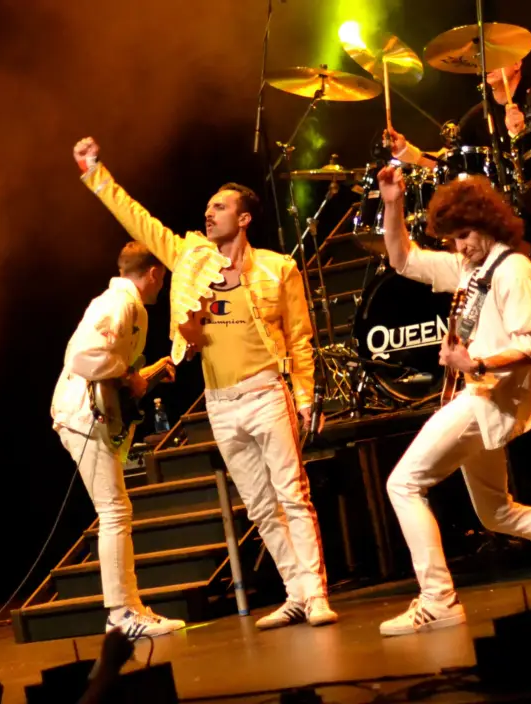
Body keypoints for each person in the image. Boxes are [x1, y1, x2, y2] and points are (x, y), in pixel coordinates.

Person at [72, 136, 337, 629]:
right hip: (220, 400)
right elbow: (138, 220)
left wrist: (304, 399)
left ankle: (316, 593)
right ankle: (296, 592)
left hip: (265, 391)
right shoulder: (191, 255)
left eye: (220, 207)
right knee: (259, 503)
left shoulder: (279, 269)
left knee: (291, 494)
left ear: (244, 218)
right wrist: (95, 173)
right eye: (209, 206)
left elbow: (301, 341)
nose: (208, 213)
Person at [374, 165, 531, 637]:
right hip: (479, 395)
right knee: (498, 512)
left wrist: (472, 363)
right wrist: (392, 203)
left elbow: (530, 348)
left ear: (488, 223)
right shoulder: (471, 269)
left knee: (404, 485)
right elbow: (402, 260)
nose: (458, 246)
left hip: (487, 396)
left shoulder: (513, 269)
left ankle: (438, 600)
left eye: (464, 234)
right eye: (452, 238)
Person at [50, 241, 186, 639]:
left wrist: (147, 372)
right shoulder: (121, 303)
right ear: (155, 273)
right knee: (113, 512)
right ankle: (122, 614)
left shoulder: (122, 303)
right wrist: (129, 374)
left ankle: (128, 609)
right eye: (163, 277)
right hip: (82, 415)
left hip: (88, 414)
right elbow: (84, 358)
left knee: (116, 511)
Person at [386, 60, 531, 170]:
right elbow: (448, 161)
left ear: (517, 63)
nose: (488, 64)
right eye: (485, 59)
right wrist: (405, 151)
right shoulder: (478, 114)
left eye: (496, 58)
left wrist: (522, 133)